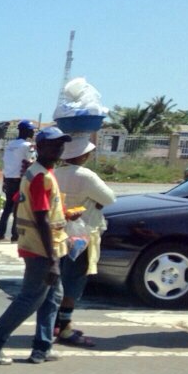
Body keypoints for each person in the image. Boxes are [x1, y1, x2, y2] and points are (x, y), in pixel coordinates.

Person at [0, 126, 72, 365]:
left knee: (52, 298)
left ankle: (42, 346)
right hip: (41, 248)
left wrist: (65, 216)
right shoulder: (40, 176)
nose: (59, 148)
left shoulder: (39, 173)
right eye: (53, 144)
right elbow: (41, 217)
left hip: (48, 245)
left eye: (61, 144)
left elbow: (30, 206)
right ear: (39, 147)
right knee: (30, 299)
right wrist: (52, 260)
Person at [52, 136, 116, 347]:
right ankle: (65, 327)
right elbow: (109, 198)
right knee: (74, 283)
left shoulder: (54, 174)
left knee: (58, 280)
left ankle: (55, 323)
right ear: (83, 156)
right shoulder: (86, 176)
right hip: (80, 236)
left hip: (58, 234)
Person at [0, 120, 36, 242]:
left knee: (8, 208)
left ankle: (0, 234)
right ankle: (15, 235)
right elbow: (32, 160)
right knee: (19, 208)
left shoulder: (10, 145)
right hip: (20, 179)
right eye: (31, 129)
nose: (33, 131)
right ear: (26, 131)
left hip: (8, 178)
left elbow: (6, 163)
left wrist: (4, 180)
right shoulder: (27, 146)